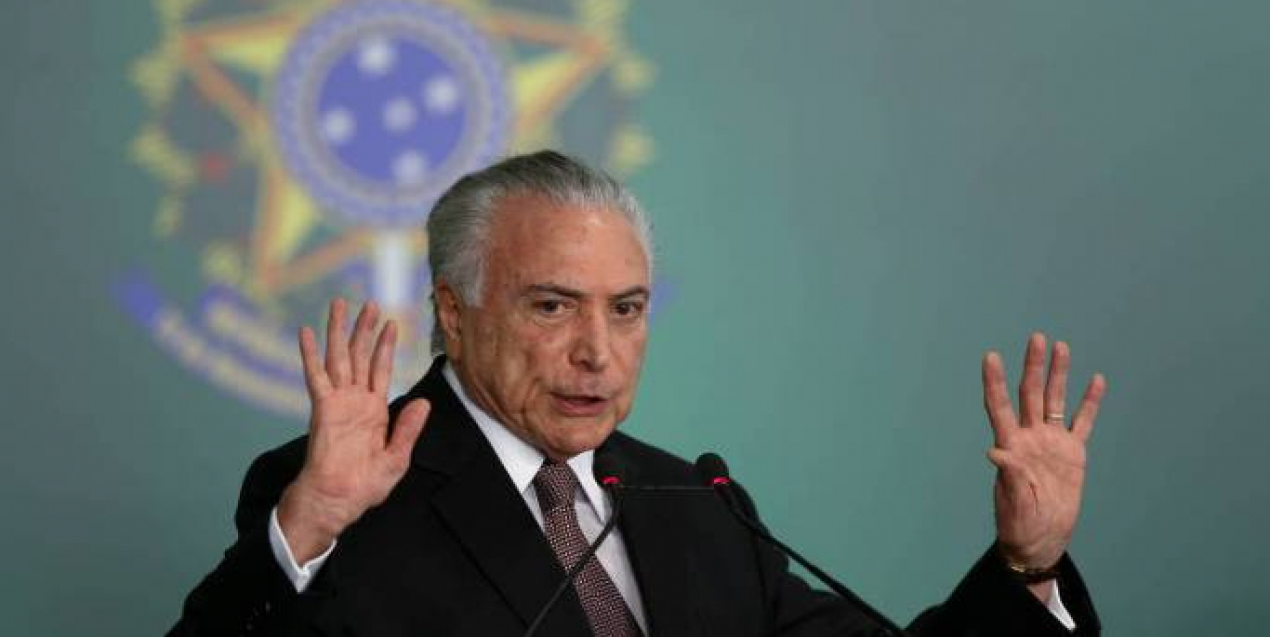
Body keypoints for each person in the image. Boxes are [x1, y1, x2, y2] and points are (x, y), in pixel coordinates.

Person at [169, 150, 1106, 636]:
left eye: (625, 309)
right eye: (552, 306)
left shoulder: (694, 504)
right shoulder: (338, 499)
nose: (598, 353)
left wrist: (1027, 565)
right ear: (454, 312)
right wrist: (309, 525)